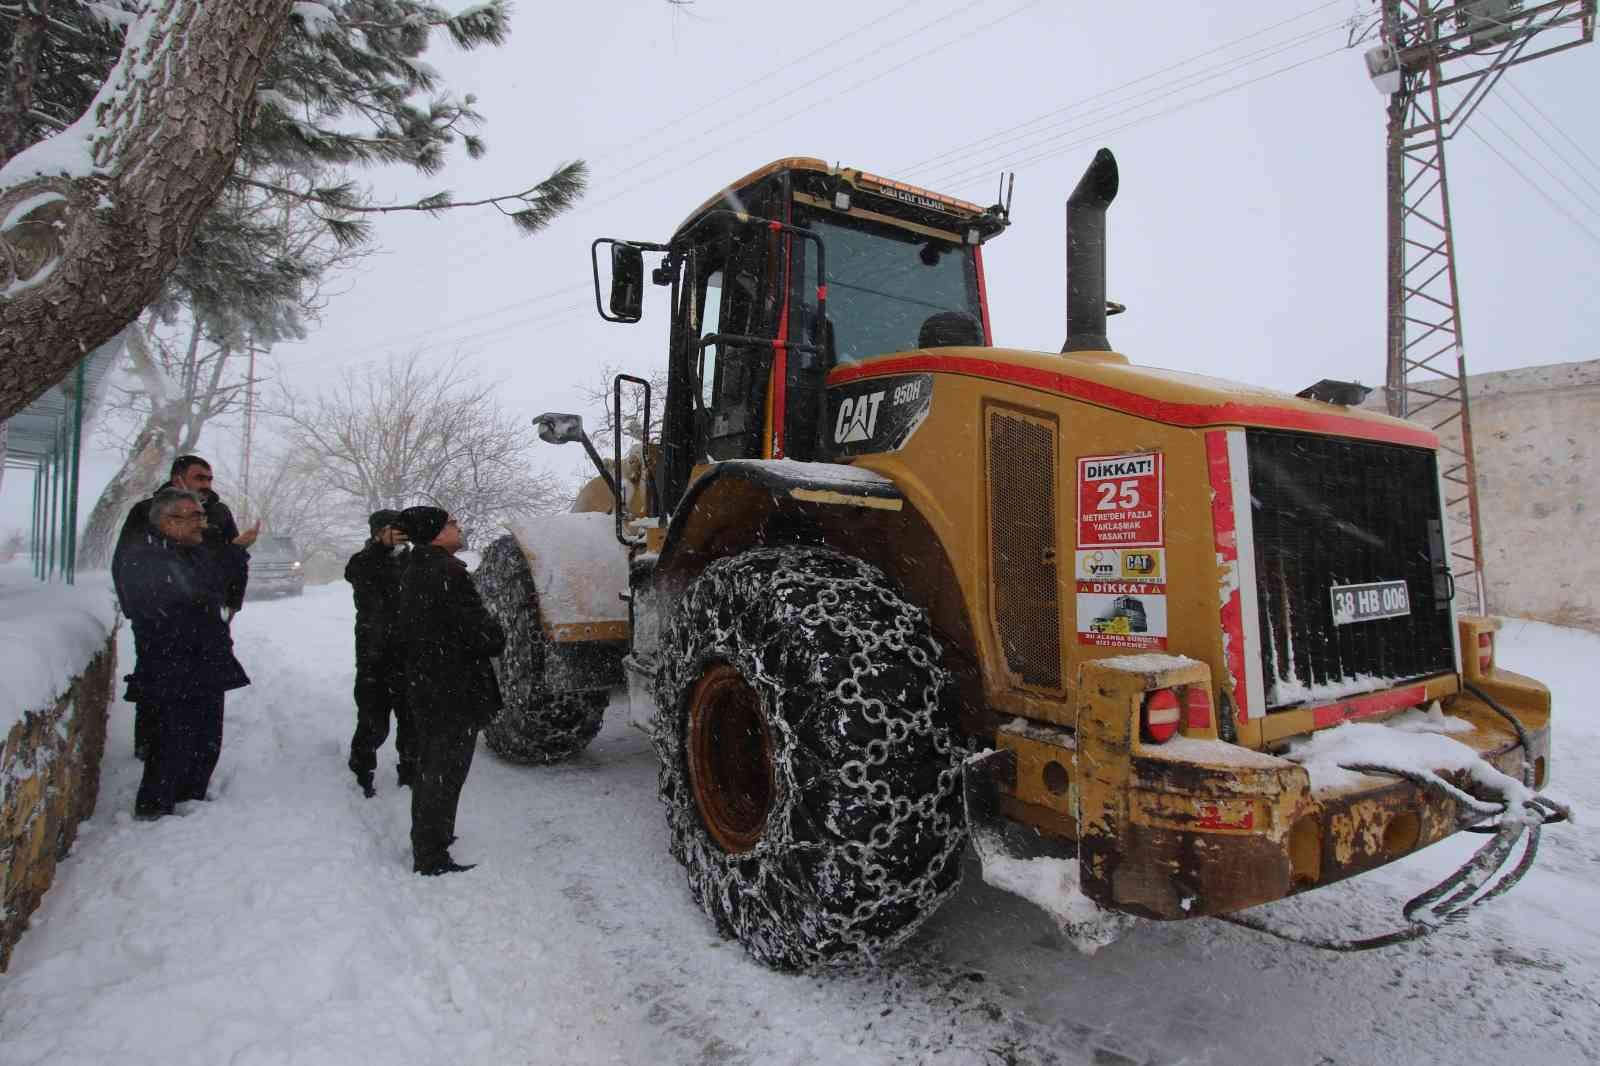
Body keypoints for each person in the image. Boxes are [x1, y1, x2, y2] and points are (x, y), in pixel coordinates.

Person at [113, 454, 260, 761]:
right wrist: (138, 611)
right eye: (199, 478)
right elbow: (125, 563)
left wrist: (233, 601)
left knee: (206, 689)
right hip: (160, 617)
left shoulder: (217, 512)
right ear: (178, 478)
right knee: (159, 687)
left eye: (209, 479)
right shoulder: (147, 512)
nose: (206, 485)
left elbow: (233, 558)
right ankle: (152, 750)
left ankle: (195, 765)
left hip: (205, 612)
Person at [118, 489, 251, 820]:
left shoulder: (191, 550)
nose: (200, 524)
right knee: (171, 743)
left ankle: (190, 798)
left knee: (205, 741)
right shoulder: (145, 557)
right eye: (193, 517)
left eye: (201, 517)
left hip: (204, 663)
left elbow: (216, 579)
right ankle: (155, 810)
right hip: (173, 668)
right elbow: (171, 605)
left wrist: (236, 554)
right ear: (167, 520)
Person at [394, 505, 504, 876]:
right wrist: (496, 632)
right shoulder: (446, 573)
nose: (458, 527)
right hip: (452, 689)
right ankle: (431, 854)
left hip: (431, 685)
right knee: (444, 771)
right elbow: (480, 635)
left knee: (434, 767)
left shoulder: (416, 568)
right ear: (437, 534)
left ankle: (433, 837)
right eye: (452, 523)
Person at [345, 509, 414, 797]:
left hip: (408, 655)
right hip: (375, 656)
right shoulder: (364, 561)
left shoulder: (412, 559)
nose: (398, 534)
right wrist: (380, 547)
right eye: (391, 530)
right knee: (373, 722)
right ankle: (361, 771)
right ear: (377, 532)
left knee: (412, 721)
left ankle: (410, 774)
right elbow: (356, 573)